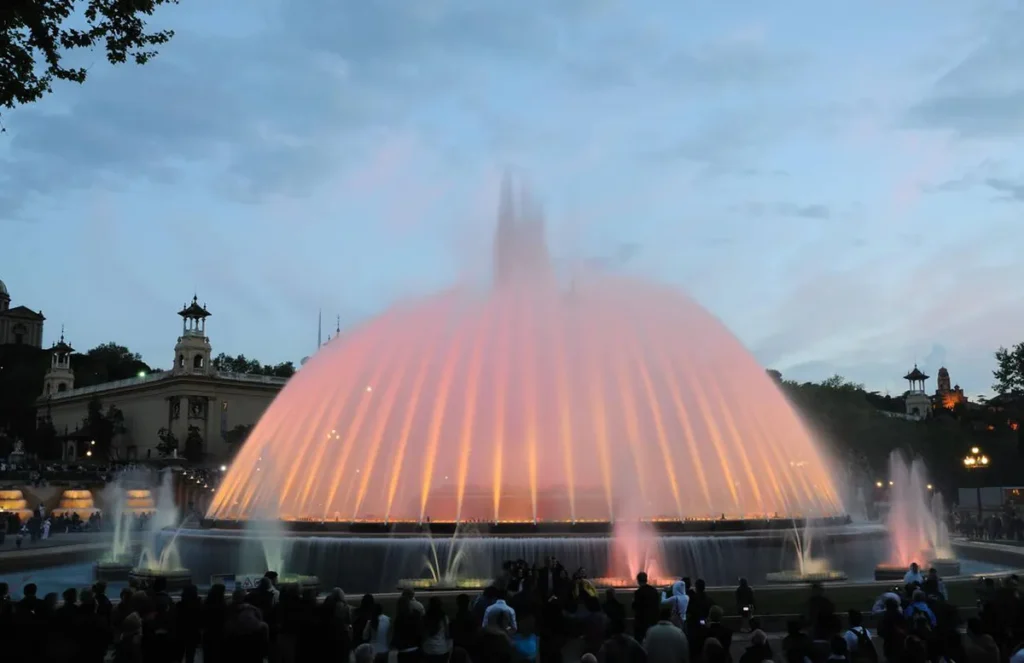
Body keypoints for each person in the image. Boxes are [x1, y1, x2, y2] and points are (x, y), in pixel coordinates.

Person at [633, 572, 661, 642]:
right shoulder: (654, 591)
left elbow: (635, 607)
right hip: (653, 620)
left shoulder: (638, 592)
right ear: (646, 579)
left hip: (642, 622)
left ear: (638, 580)